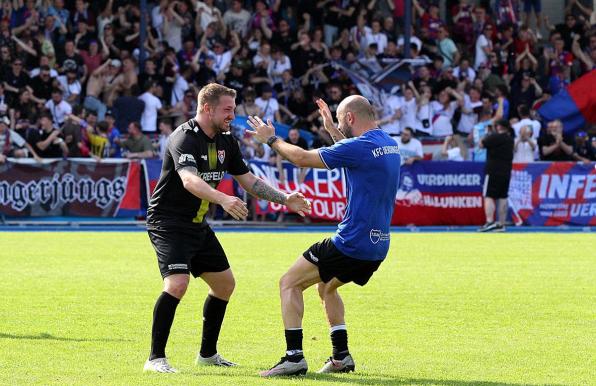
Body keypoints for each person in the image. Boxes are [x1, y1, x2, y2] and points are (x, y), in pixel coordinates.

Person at [143, 83, 310, 373]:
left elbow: (248, 180)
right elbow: (189, 180)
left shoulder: (226, 140)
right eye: (228, 109)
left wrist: (285, 199)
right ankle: (155, 359)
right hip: (169, 222)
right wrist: (222, 198)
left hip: (197, 224)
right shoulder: (183, 137)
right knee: (177, 284)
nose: (232, 115)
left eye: (233, 109)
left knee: (224, 285)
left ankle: (207, 355)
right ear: (207, 108)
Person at [246, 95, 401, 376]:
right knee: (326, 286)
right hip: (378, 246)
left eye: (342, 120)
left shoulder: (361, 147)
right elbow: (352, 151)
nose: (341, 124)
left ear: (351, 118)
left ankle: (293, 357)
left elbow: (300, 157)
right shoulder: (388, 144)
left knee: (289, 283)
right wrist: (332, 129)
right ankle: (341, 356)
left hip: (351, 242)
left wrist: (271, 139)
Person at [478, 119, 514, 232]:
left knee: (489, 196)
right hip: (506, 171)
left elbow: (481, 145)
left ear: (498, 127)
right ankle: (501, 224)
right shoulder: (510, 139)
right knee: (503, 197)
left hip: (493, 170)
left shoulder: (494, 137)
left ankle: (490, 222)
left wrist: (486, 134)